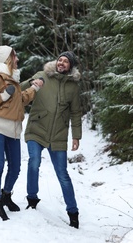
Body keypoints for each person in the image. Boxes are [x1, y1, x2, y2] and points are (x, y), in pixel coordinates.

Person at [0, 45, 43, 221]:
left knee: (15, 167)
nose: (18, 59)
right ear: (8, 58)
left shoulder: (13, 78)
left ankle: (6, 195)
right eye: (15, 56)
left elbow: (20, 100)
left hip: (13, 129)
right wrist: (4, 96)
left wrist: (34, 89)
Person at [20, 51, 82, 229]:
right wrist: (32, 83)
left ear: (70, 66)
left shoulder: (73, 87)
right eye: (60, 60)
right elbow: (22, 87)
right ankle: (32, 199)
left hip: (58, 135)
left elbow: (76, 112)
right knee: (34, 162)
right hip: (36, 129)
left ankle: (73, 212)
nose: (61, 63)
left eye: (65, 61)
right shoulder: (42, 75)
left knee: (63, 175)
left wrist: (76, 136)